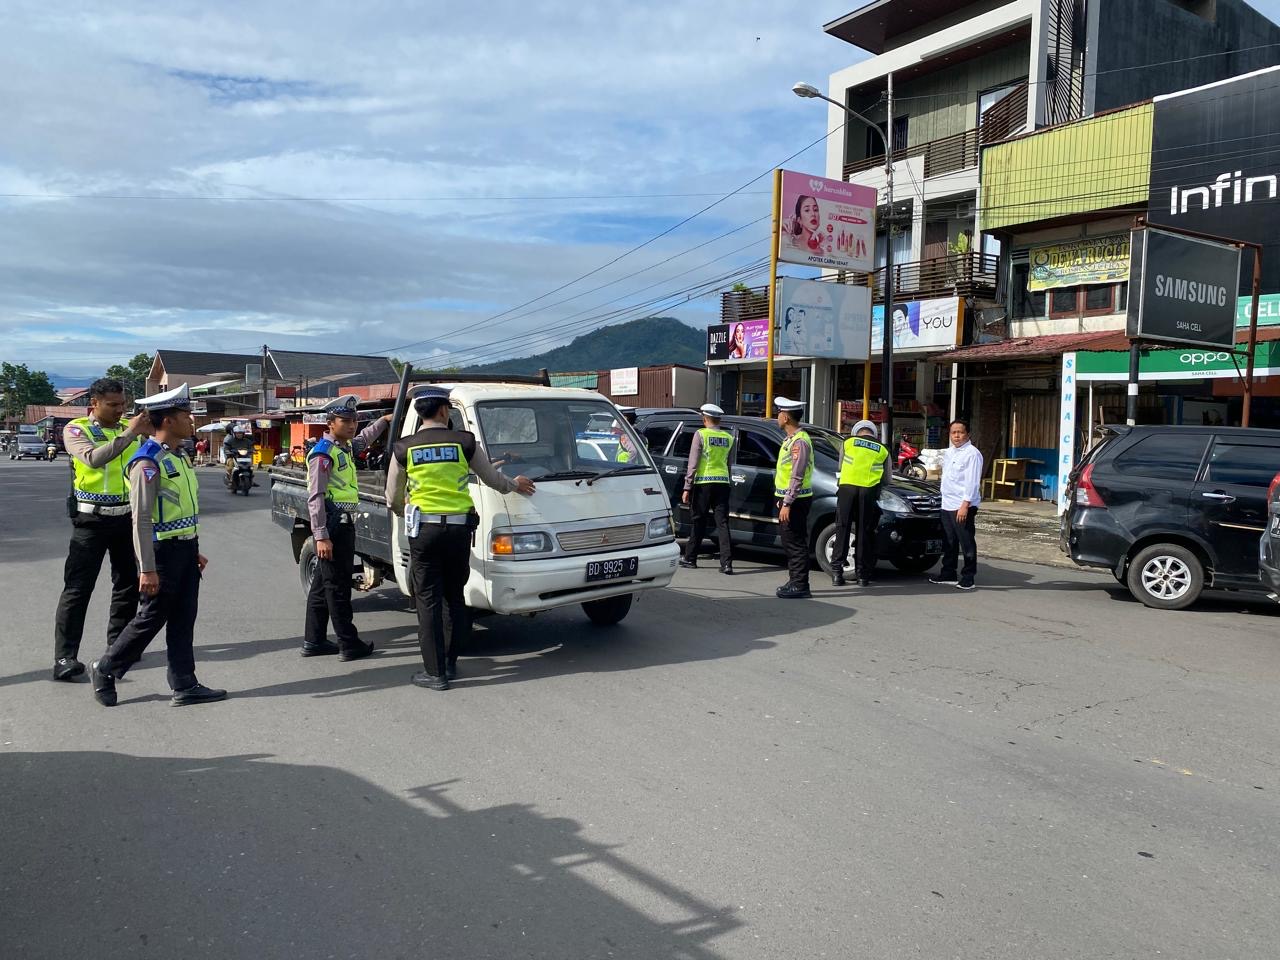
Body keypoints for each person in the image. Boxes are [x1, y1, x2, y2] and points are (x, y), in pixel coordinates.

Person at [386, 386, 536, 691]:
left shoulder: (404, 448)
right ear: (444, 411)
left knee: (427, 601)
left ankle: (435, 672)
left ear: (419, 412)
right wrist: (514, 483)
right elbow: (494, 481)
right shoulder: (464, 442)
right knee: (454, 598)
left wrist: (406, 512)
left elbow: (392, 497)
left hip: (424, 532)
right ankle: (451, 664)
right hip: (458, 531)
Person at [90, 384, 226, 707]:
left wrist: (193, 550)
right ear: (166, 421)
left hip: (184, 551)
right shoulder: (146, 463)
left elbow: (181, 510)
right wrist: (147, 567)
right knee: (151, 618)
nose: (191, 421)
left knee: (183, 617)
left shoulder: (178, 458)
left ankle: (184, 683)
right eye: (184, 415)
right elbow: (141, 520)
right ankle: (106, 668)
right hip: (161, 555)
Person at [52, 377, 155, 681]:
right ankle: (64, 657)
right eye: (112, 405)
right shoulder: (77, 430)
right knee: (77, 589)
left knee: (126, 584)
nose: (119, 410)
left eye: (122, 404)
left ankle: (118, 648)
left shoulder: (131, 432)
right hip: (91, 521)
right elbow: (94, 459)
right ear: (93, 404)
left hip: (125, 518)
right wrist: (131, 432)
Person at [302, 396, 391, 660]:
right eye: (346, 421)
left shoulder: (344, 448)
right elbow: (315, 496)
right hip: (333, 526)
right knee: (338, 586)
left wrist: (383, 422)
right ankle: (349, 644)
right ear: (330, 424)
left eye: (354, 420)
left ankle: (314, 640)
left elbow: (363, 439)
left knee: (321, 585)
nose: (352, 425)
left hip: (341, 524)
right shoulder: (323, 453)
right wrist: (321, 536)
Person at [830, 419, 889, 587]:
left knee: (842, 528)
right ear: (873, 434)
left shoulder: (848, 442)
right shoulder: (883, 449)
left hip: (846, 489)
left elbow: (841, 466)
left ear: (857, 432)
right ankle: (862, 576)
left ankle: (837, 573)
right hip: (868, 492)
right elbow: (887, 478)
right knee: (864, 532)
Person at [679, 403, 734, 574]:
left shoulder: (700, 434)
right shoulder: (728, 437)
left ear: (705, 419)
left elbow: (693, 463)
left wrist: (687, 486)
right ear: (718, 419)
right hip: (723, 483)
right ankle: (726, 563)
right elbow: (729, 464)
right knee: (723, 523)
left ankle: (690, 557)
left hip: (704, 484)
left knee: (699, 520)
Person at [931, 418, 983, 591]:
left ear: (967, 434)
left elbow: (972, 483)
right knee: (949, 541)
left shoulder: (972, 454)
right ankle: (948, 573)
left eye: (960, 432)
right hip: (947, 503)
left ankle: (968, 576)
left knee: (966, 541)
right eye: (954, 432)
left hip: (963, 505)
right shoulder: (950, 452)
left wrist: (965, 505)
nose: (957, 436)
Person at [773, 397, 813, 599]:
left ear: (786, 417)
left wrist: (787, 503)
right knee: (791, 541)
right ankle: (795, 580)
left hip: (795, 501)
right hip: (790, 499)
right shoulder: (792, 439)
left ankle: (800, 585)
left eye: (778, 413)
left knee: (795, 542)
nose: (776, 417)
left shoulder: (799, 442)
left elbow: (797, 475)